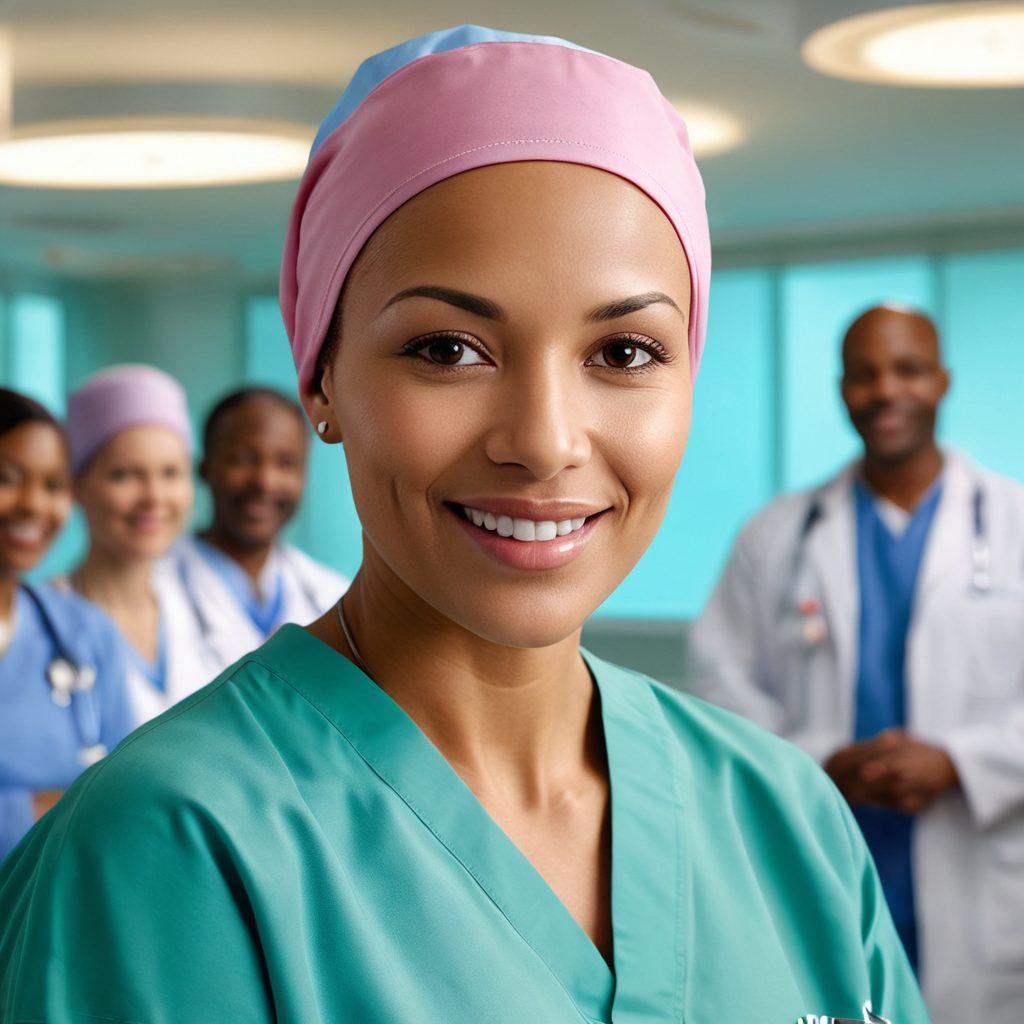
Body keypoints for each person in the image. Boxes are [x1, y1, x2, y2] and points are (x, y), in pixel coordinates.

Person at [0, 28, 929, 1024]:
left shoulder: (784, 822)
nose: (543, 441)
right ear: (320, 376)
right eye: (448, 348)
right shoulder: (169, 849)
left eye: (622, 352)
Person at [688, 303, 1024, 1024]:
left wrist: (962, 762)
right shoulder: (777, 534)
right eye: (863, 375)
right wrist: (814, 762)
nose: (884, 392)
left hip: (985, 870)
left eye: (907, 370)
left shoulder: (1015, 523)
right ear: (841, 389)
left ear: (942, 382)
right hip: (829, 846)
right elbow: (717, 678)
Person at [0, 388, 133, 862]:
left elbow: (127, 800)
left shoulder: (86, 636)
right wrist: (34, 810)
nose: (34, 505)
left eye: (54, 486)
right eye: (7, 479)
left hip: (58, 918)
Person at [60, 365, 223, 723]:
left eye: (170, 473)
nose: (154, 498)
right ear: (77, 485)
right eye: (124, 475)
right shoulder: (45, 621)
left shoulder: (210, 605)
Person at [167, 386, 348, 665]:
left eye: (286, 463)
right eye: (242, 459)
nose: (265, 481)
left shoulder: (332, 596)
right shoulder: (156, 587)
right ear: (204, 468)